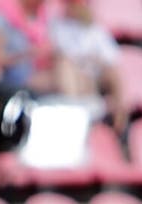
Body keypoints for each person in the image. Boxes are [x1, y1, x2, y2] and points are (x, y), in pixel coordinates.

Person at [49, 0, 129, 131]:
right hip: (74, 73)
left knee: (114, 73)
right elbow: (62, 53)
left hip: (94, 74)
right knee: (67, 67)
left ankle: (119, 121)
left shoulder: (94, 27)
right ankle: (76, 112)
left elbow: (111, 56)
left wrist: (93, 60)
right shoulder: (57, 24)